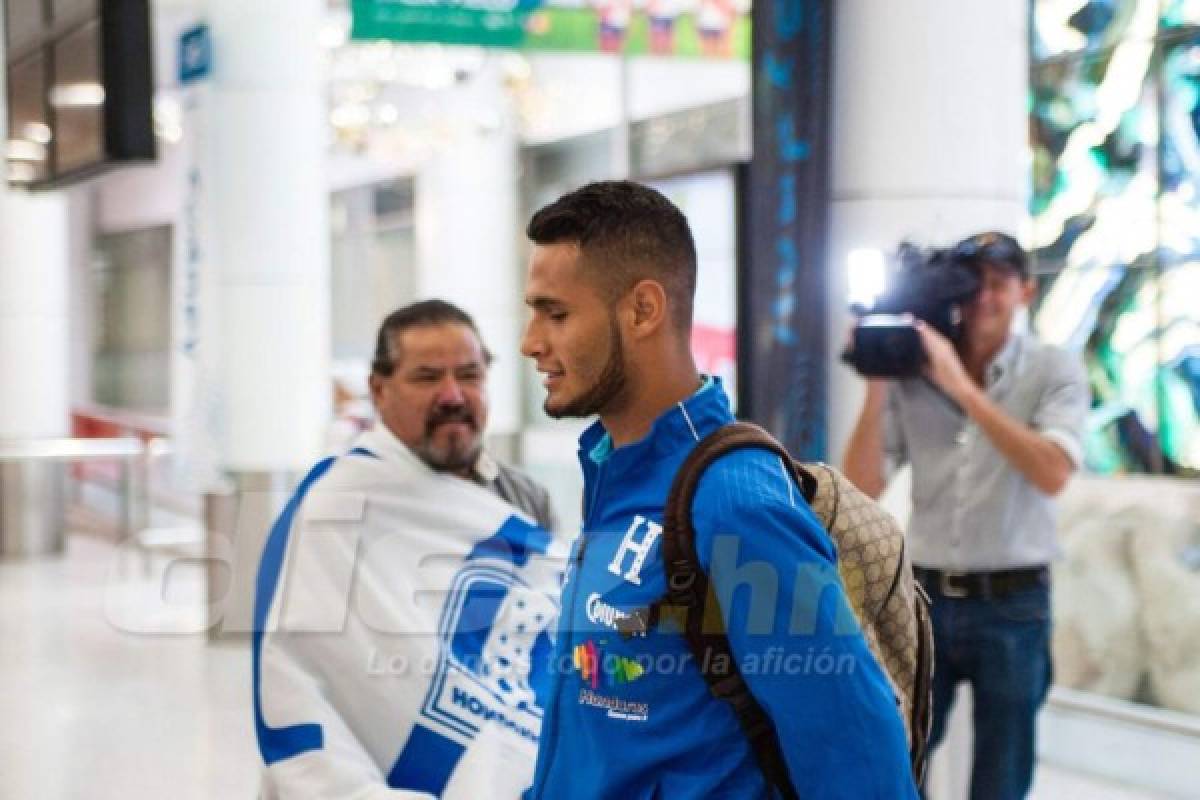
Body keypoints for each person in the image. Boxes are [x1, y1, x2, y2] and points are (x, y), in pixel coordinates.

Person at [519, 181, 917, 798]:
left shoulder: (733, 502)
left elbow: (860, 764)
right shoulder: (615, 471)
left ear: (643, 310)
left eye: (556, 313)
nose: (531, 341)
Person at [254, 299, 561, 798]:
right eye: (426, 378)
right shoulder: (336, 506)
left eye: (469, 375)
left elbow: (540, 631)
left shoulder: (523, 500)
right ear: (379, 390)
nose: (452, 395)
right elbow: (303, 670)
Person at [842, 232, 1090, 800]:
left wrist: (962, 387)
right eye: (973, 282)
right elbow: (862, 484)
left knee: (1002, 776)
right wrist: (879, 380)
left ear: (1025, 292)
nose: (984, 297)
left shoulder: (1054, 369)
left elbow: (1053, 472)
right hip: (925, 598)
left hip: (1015, 604)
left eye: (999, 284)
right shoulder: (914, 371)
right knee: (894, 756)